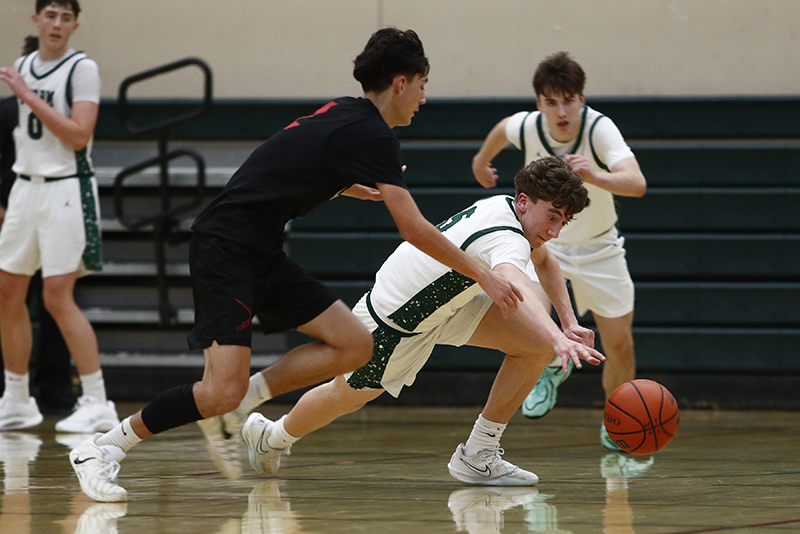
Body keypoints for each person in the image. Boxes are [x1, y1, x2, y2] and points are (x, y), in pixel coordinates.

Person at [69, 27, 523, 503]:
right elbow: (413, 228)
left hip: (260, 248)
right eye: (423, 85)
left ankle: (244, 402)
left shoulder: (347, 113)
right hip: (226, 247)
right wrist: (484, 274)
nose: (424, 99)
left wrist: (347, 185)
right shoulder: (371, 132)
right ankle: (103, 449)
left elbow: (288, 161)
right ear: (401, 82)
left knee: (354, 345)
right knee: (218, 391)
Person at [239, 157, 604, 486]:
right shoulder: (506, 238)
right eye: (552, 217)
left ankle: (478, 455)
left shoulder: (506, 208)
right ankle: (272, 437)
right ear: (525, 201)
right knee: (344, 397)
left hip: (441, 304)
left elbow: (544, 261)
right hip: (395, 322)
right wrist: (559, 339)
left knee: (534, 345)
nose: (555, 230)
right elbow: (518, 283)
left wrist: (568, 322)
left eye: (563, 221)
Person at [471, 51, 647, 449]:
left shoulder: (599, 129)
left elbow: (636, 184)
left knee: (620, 346)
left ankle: (617, 421)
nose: (561, 110)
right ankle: (551, 366)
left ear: (581, 100)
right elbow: (502, 129)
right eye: (551, 102)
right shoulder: (528, 126)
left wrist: (594, 175)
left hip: (601, 248)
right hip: (547, 246)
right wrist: (482, 162)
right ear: (540, 104)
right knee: (531, 318)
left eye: (568, 100)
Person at [0, 0, 118, 432]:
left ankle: (96, 400)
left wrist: (27, 95)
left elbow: (78, 134)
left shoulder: (81, 68)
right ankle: (16, 399)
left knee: (56, 297)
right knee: (7, 293)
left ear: (74, 26)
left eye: (65, 18)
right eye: (50, 15)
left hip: (66, 188)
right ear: (36, 20)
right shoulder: (23, 63)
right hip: (24, 187)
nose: (56, 24)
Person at [0, 36, 75, 417]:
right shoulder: (5, 110)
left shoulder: (65, 107)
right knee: (9, 300)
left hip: (55, 210)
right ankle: (13, 391)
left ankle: (56, 386)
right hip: (15, 210)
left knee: (55, 302)